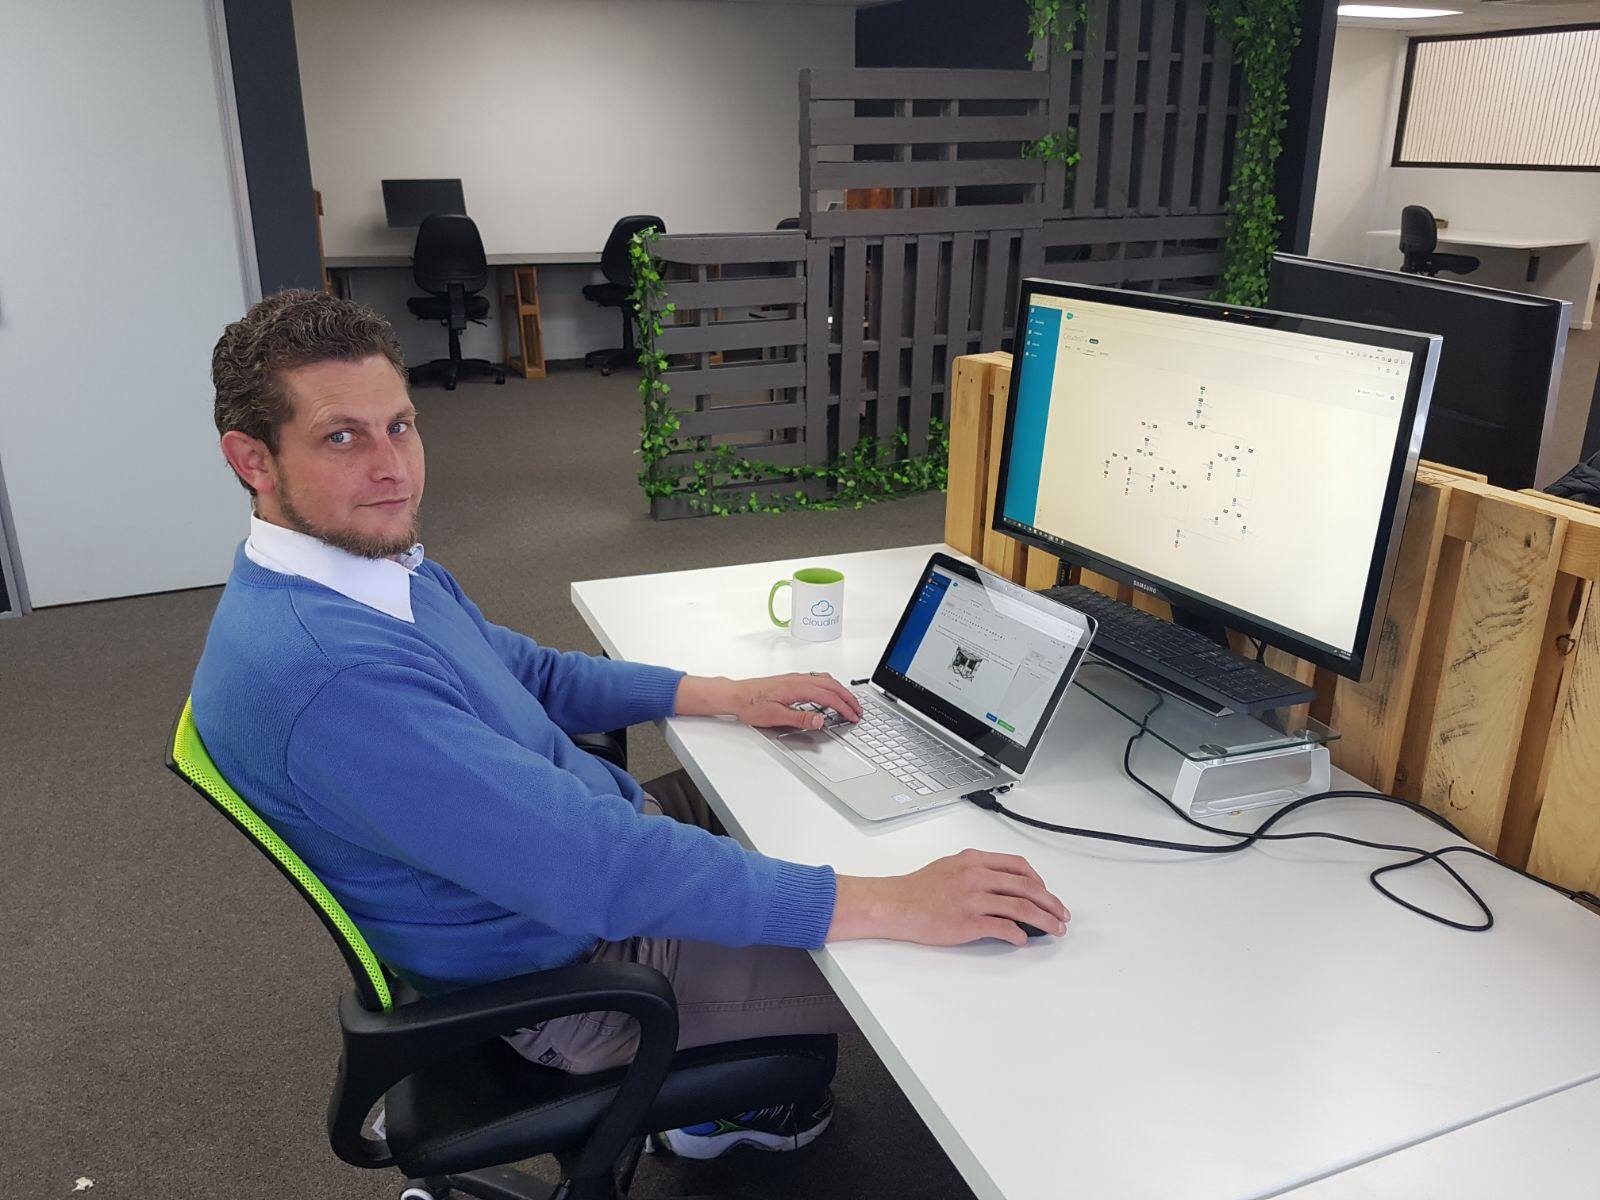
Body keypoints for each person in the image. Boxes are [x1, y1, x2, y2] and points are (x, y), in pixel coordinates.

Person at [191, 289, 1068, 1158]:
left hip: (579, 857)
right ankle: (715, 1102)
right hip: (580, 973)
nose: (394, 468)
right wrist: (891, 903)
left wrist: (724, 694)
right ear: (252, 459)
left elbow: (533, 674)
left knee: (815, 790)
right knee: (966, 958)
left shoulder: (364, 566)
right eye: (342, 438)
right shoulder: (332, 674)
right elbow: (596, 869)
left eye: (401, 426)